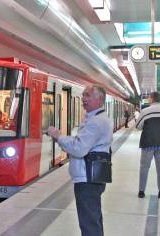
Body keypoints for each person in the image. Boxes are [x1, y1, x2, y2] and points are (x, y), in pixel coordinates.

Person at [47, 85, 113, 236]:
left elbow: (79, 148)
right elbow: (80, 144)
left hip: (87, 179)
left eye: (88, 95)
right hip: (90, 176)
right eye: (83, 95)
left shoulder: (96, 122)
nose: (83, 98)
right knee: (93, 219)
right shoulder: (96, 119)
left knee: (89, 224)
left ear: (99, 99)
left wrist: (58, 136)